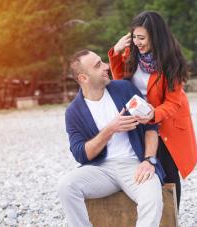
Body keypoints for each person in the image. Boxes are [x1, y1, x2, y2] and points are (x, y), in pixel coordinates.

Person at [58, 49, 166, 227]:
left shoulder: (124, 89)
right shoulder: (73, 112)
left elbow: (151, 126)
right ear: (83, 78)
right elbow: (81, 155)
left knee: (152, 198)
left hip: (135, 165)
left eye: (102, 62)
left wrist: (149, 160)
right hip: (101, 170)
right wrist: (110, 129)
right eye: (98, 65)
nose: (106, 67)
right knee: (66, 186)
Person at [108, 11, 197, 208]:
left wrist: (153, 114)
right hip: (140, 120)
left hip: (166, 121)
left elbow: (174, 102)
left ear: (155, 37)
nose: (137, 42)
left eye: (142, 38)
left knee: (168, 171)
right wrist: (115, 53)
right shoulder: (132, 54)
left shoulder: (171, 62)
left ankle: (172, 217)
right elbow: (120, 82)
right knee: (142, 168)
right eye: (134, 37)